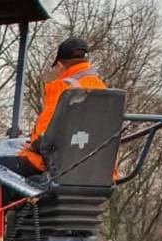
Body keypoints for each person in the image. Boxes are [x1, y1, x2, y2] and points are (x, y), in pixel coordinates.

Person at [18, 37, 108, 174]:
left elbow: (46, 134)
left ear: (60, 65)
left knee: (3, 167)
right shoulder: (103, 89)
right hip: (98, 170)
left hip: (61, 166)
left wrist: (32, 146)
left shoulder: (63, 88)